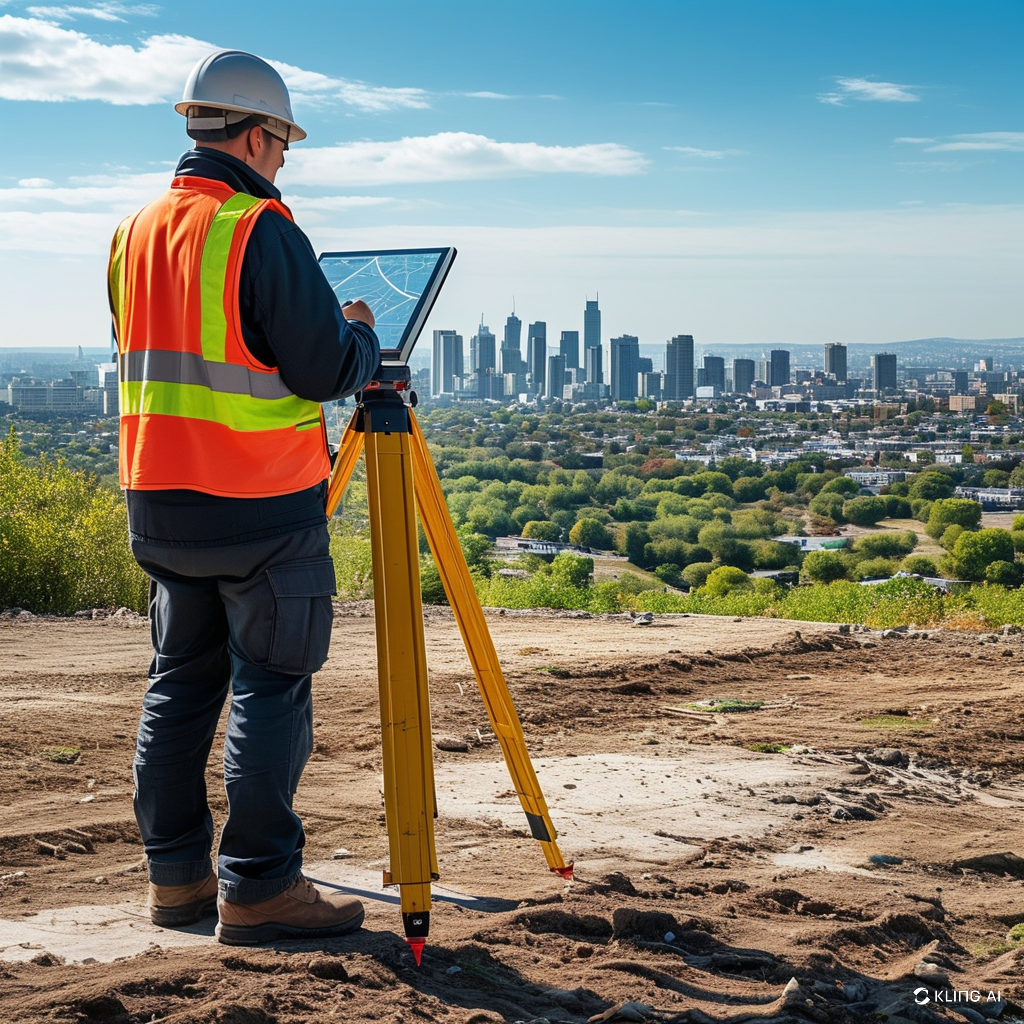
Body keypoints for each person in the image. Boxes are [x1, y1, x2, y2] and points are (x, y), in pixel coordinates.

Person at [107, 49, 380, 946]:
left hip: (160, 501)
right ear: (259, 135)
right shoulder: (259, 229)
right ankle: (260, 888)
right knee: (271, 686)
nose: (281, 163)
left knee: (180, 686)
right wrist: (361, 341)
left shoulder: (135, 231)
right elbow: (319, 368)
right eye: (284, 147)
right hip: (259, 506)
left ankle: (176, 885)